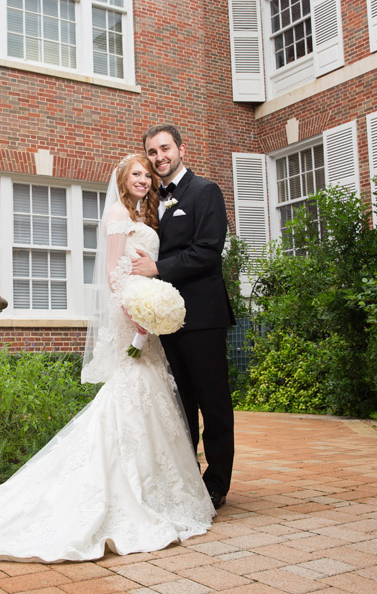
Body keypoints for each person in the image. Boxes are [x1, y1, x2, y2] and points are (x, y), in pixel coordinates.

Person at [0, 154, 215, 562]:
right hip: (130, 317)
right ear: (122, 178)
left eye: (146, 176)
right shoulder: (118, 212)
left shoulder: (142, 212)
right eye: (135, 174)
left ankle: (158, 492)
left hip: (144, 320)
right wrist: (137, 315)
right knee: (128, 396)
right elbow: (113, 278)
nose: (143, 179)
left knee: (148, 396)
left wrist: (152, 308)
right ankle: (122, 491)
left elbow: (141, 267)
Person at [130, 125, 236, 509]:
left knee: (214, 402)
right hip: (165, 320)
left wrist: (157, 269)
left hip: (203, 317)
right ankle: (187, 477)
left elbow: (208, 251)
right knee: (180, 404)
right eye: (152, 152)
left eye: (165, 149)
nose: (159, 157)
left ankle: (217, 483)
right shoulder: (150, 198)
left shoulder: (205, 191)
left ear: (180, 149)